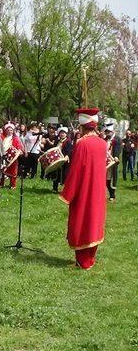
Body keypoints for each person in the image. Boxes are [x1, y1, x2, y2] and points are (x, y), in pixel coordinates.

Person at [59, 108, 107, 270]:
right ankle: (90, 259)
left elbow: (76, 170)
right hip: (98, 190)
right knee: (94, 221)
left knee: (82, 222)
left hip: (84, 191)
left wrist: (68, 193)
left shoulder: (82, 143)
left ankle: (83, 261)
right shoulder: (103, 143)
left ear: (82, 125)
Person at [0, 122, 24, 189]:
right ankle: (1, 184)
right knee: (2, 170)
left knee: (13, 171)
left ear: (13, 131)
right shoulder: (2, 137)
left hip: (13, 157)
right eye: (8, 130)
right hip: (4, 156)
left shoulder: (16, 139)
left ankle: (12, 185)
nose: (9, 131)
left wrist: (17, 152)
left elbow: (19, 148)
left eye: (11, 130)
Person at [52, 127, 74, 193]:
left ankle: (65, 190)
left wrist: (67, 156)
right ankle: (55, 188)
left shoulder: (68, 142)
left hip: (64, 160)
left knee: (65, 175)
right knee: (56, 174)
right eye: (61, 133)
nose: (62, 134)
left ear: (66, 134)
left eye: (63, 133)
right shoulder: (57, 141)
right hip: (57, 160)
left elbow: (69, 151)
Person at [104, 123, 122, 201]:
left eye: (109, 132)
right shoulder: (104, 139)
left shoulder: (117, 139)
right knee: (104, 179)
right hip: (104, 160)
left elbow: (118, 149)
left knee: (110, 179)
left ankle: (112, 195)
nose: (107, 133)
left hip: (112, 161)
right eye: (106, 132)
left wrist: (116, 156)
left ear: (112, 131)